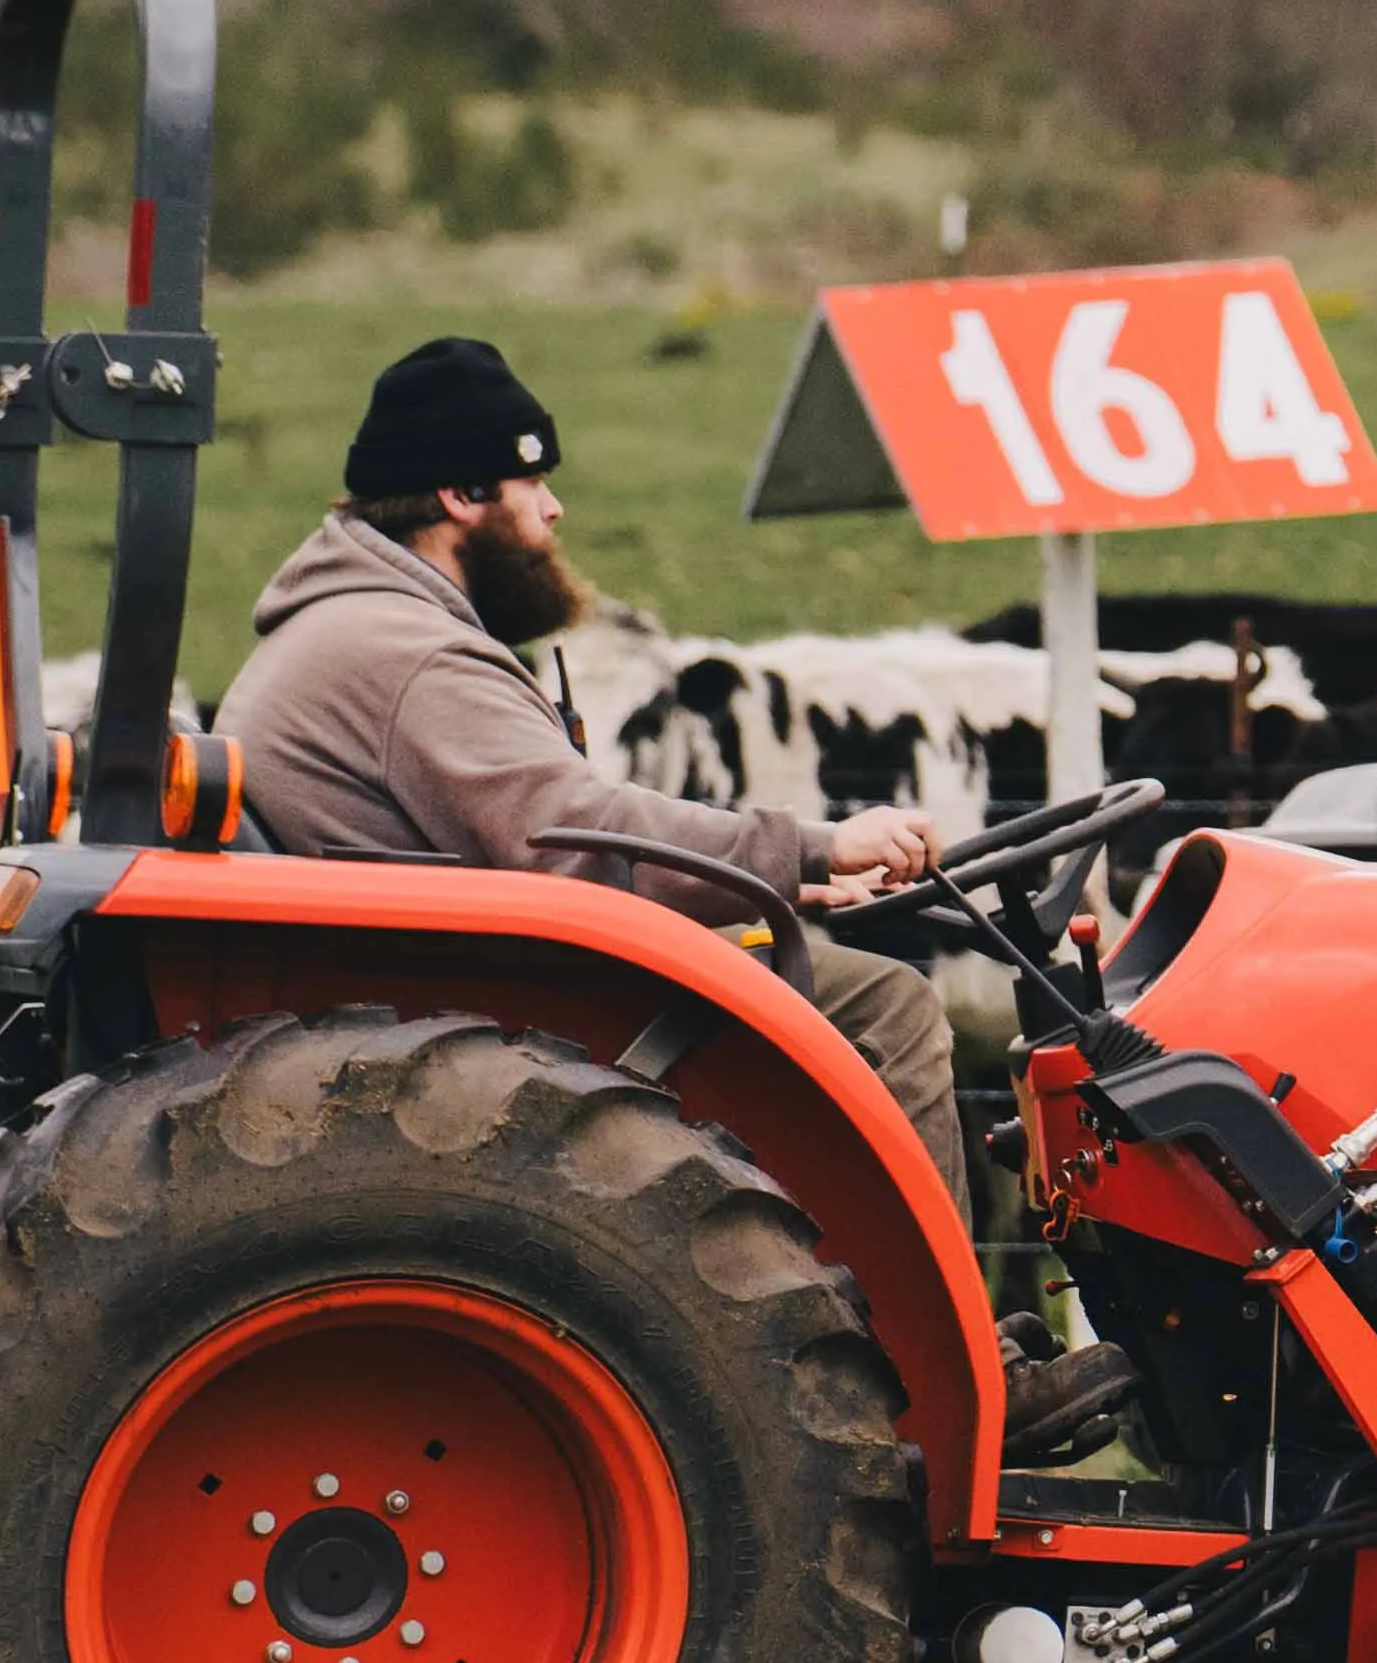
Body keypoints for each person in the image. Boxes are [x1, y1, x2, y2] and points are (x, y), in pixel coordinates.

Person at [226, 334, 968, 1182]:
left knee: (779, 953)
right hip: (478, 1009)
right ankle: (924, 1318)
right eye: (532, 481)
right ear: (460, 495)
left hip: (445, 973)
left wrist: (780, 884)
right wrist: (812, 844)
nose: (554, 509)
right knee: (886, 1006)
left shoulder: (350, 625)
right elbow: (573, 835)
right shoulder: (411, 653)